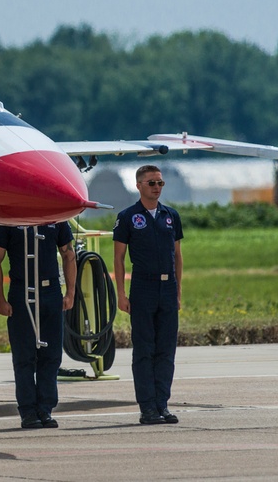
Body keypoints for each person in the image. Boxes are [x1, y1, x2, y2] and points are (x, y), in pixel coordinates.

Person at [113, 164, 184, 425]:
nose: (156, 187)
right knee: (144, 349)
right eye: (152, 183)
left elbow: (177, 256)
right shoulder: (128, 217)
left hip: (167, 288)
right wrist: (121, 294)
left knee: (166, 349)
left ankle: (162, 404)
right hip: (142, 288)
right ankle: (147, 407)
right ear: (139, 185)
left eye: (160, 183)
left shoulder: (170, 216)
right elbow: (119, 259)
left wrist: (177, 292)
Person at [0, 221, 76, 429]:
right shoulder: (8, 220)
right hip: (21, 292)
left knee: (52, 355)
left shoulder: (57, 218)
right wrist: (0, 299)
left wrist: (71, 292)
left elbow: (69, 255)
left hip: (51, 291)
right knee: (24, 355)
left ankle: (45, 409)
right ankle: (28, 411)